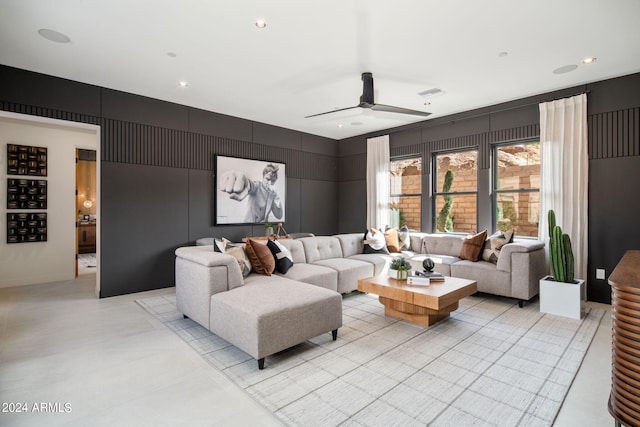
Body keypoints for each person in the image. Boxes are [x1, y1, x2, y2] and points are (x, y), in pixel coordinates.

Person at [219, 163, 283, 223]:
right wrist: (243, 180)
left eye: (273, 181)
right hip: (248, 227)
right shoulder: (257, 186)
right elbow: (250, 185)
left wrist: (276, 198)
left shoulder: (272, 195)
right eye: (268, 179)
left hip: (263, 230)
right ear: (263, 176)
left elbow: (279, 216)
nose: (270, 183)